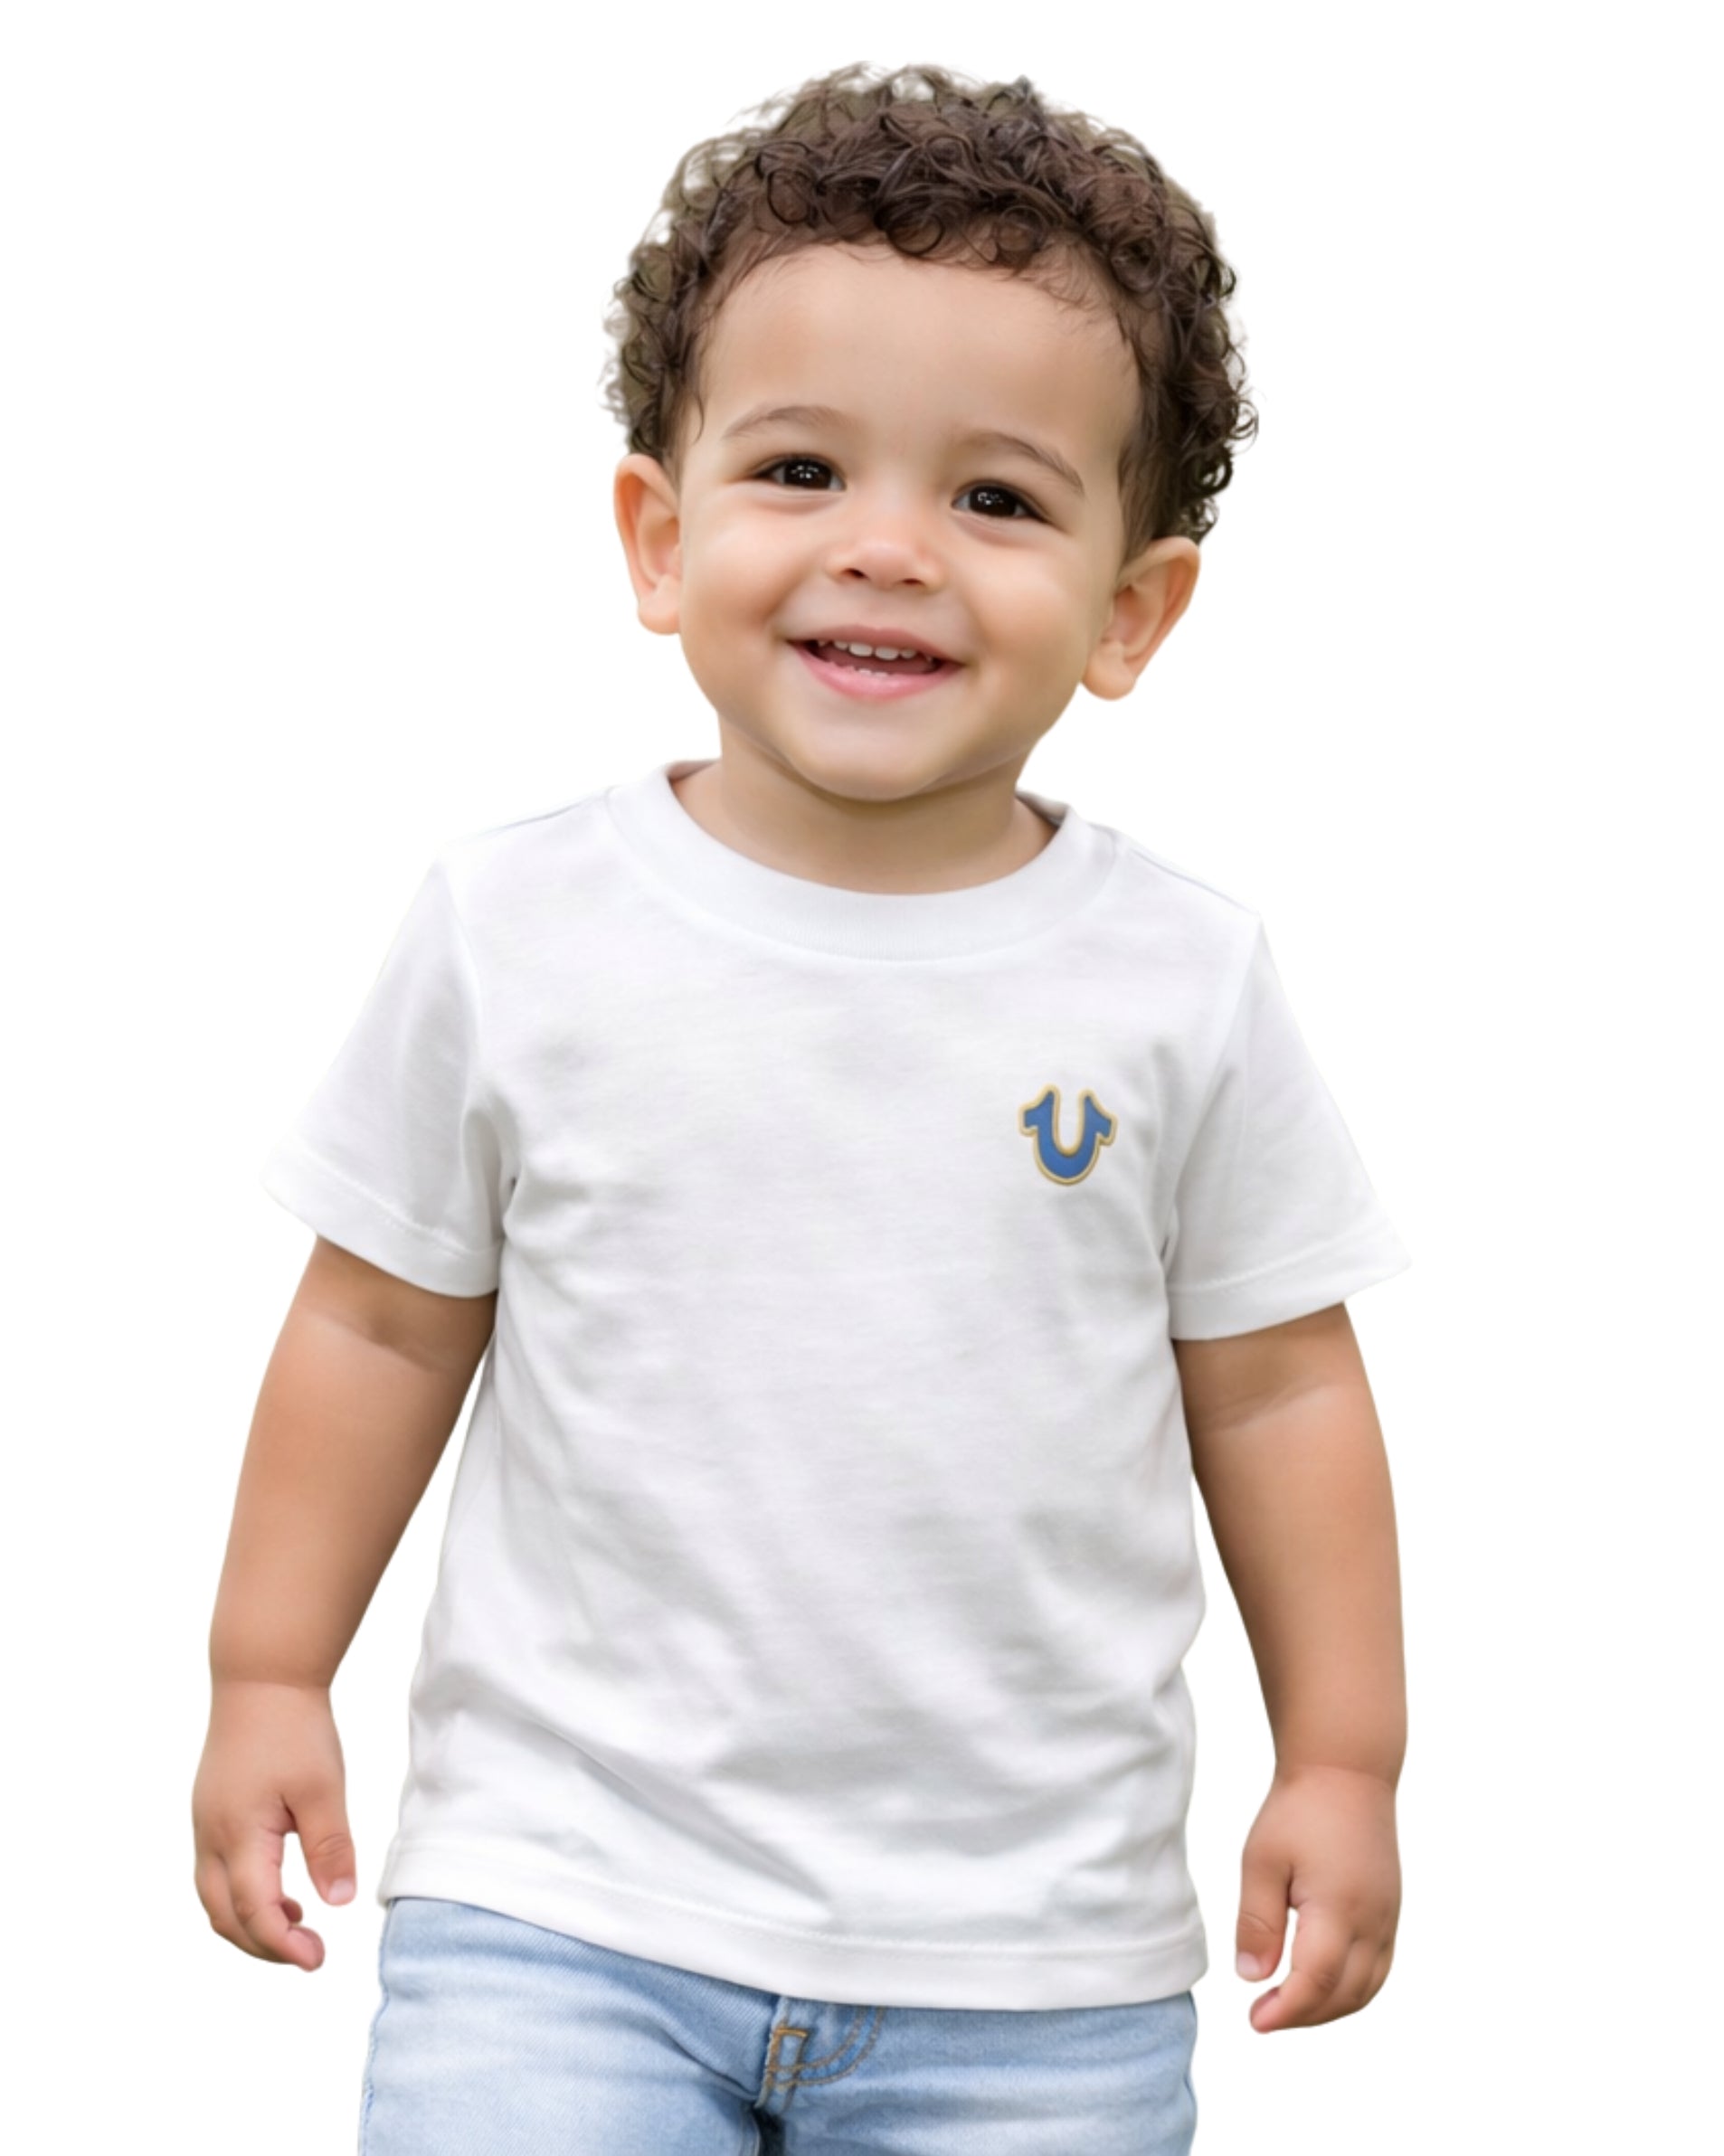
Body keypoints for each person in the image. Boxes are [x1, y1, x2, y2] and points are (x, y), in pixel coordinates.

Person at [193, 61, 1410, 2154]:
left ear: (1129, 610)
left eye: (996, 499)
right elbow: (380, 1322)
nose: (886, 548)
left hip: (1031, 1974)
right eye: (798, 467)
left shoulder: (1178, 982)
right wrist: (264, 1672)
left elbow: (1279, 1387)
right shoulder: (514, 928)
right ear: (660, 540)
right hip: (560, 1908)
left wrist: (1343, 1759)